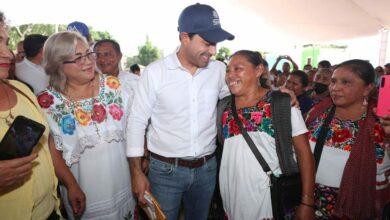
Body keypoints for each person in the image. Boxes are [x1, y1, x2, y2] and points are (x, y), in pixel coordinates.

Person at [127, 3, 234, 220]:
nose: (213, 50)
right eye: (207, 43)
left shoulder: (218, 70)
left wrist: (277, 96)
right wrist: (136, 172)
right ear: (185, 37)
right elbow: (137, 122)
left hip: (207, 169)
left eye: (215, 44)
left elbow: (240, 96)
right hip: (165, 172)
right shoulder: (156, 73)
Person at [38, 31, 135, 219]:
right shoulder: (47, 102)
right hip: (82, 190)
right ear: (58, 65)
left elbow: (133, 130)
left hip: (121, 181)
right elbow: (53, 153)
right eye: (78, 58)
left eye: (89, 54)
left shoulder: (113, 86)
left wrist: (137, 170)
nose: (89, 61)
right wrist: (72, 185)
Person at [218, 50, 315, 219]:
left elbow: (304, 153)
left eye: (237, 68)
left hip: (267, 195)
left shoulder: (281, 104)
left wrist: (307, 202)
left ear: (258, 70)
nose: (230, 75)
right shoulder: (224, 106)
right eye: (227, 70)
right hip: (231, 195)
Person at [305, 59, 390, 219]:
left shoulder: (380, 123)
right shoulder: (317, 112)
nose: (335, 88)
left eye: (346, 82)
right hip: (309, 199)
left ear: (368, 89)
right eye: (333, 81)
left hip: (355, 205)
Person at [0, 14, 61, 219]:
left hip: (51, 209)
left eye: (5, 43)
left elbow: (47, 143)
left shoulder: (21, 89)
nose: (7, 54)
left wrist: (69, 183)